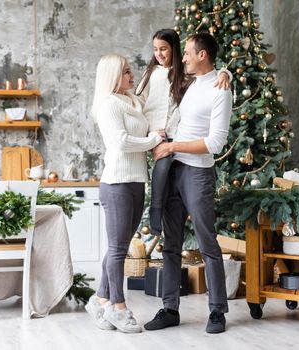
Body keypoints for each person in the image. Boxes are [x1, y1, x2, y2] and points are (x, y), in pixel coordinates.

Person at [144, 33, 233, 334]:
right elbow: (180, 121)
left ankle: (217, 311)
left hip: (197, 174)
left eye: (188, 54)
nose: (182, 58)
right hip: (173, 171)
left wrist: (173, 147)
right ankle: (170, 309)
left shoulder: (220, 90)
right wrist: (167, 137)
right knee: (171, 244)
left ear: (203, 55)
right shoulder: (193, 84)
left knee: (207, 241)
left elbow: (215, 143)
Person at [85, 54, 165, 333]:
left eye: (131, 71)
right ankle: (118, 307)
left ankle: (99, 299)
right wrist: (153, 140)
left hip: (136, 181)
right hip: (116, 183)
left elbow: (155, 87)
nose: (132, 75)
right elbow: (119, 142)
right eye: (127, 72)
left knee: (119, 245)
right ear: (113, 77)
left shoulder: (132, 101)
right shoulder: (108, 104)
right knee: (119, 249)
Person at [136, 28, 231, 236]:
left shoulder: (185, 74)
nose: (159, 54)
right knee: (159, 177)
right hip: (156, 135)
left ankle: (158, 218)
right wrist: (149, 135)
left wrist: (225, 72)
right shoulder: (151, 74)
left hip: (175, 139)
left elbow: (208, 77)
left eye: (163, 49)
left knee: (164, 176)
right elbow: (138, 102)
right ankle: (155, 217)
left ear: (174, 50)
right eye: (155, 49)